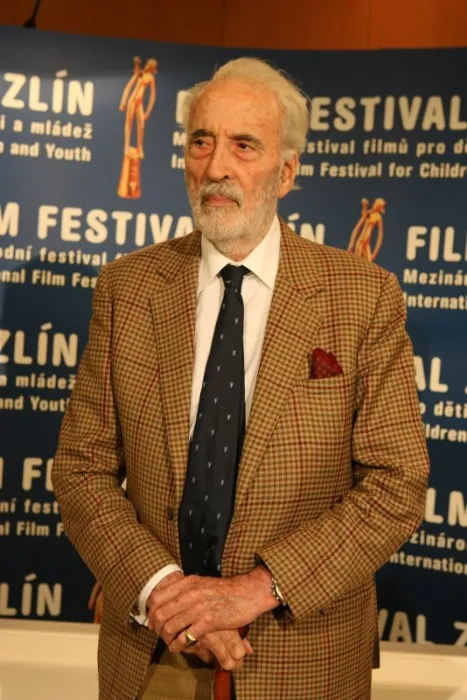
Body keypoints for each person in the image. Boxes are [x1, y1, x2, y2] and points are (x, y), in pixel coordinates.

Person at [52, 57, 430, 700]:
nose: (216, 167)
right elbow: (81, 469)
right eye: (201, 142)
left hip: (300, 656)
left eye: (244, 146)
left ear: (287, 171)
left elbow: (397, 484)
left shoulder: (362, 297)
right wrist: (166, 594)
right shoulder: (127, 288)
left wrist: (254, 590)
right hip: (154, 651)